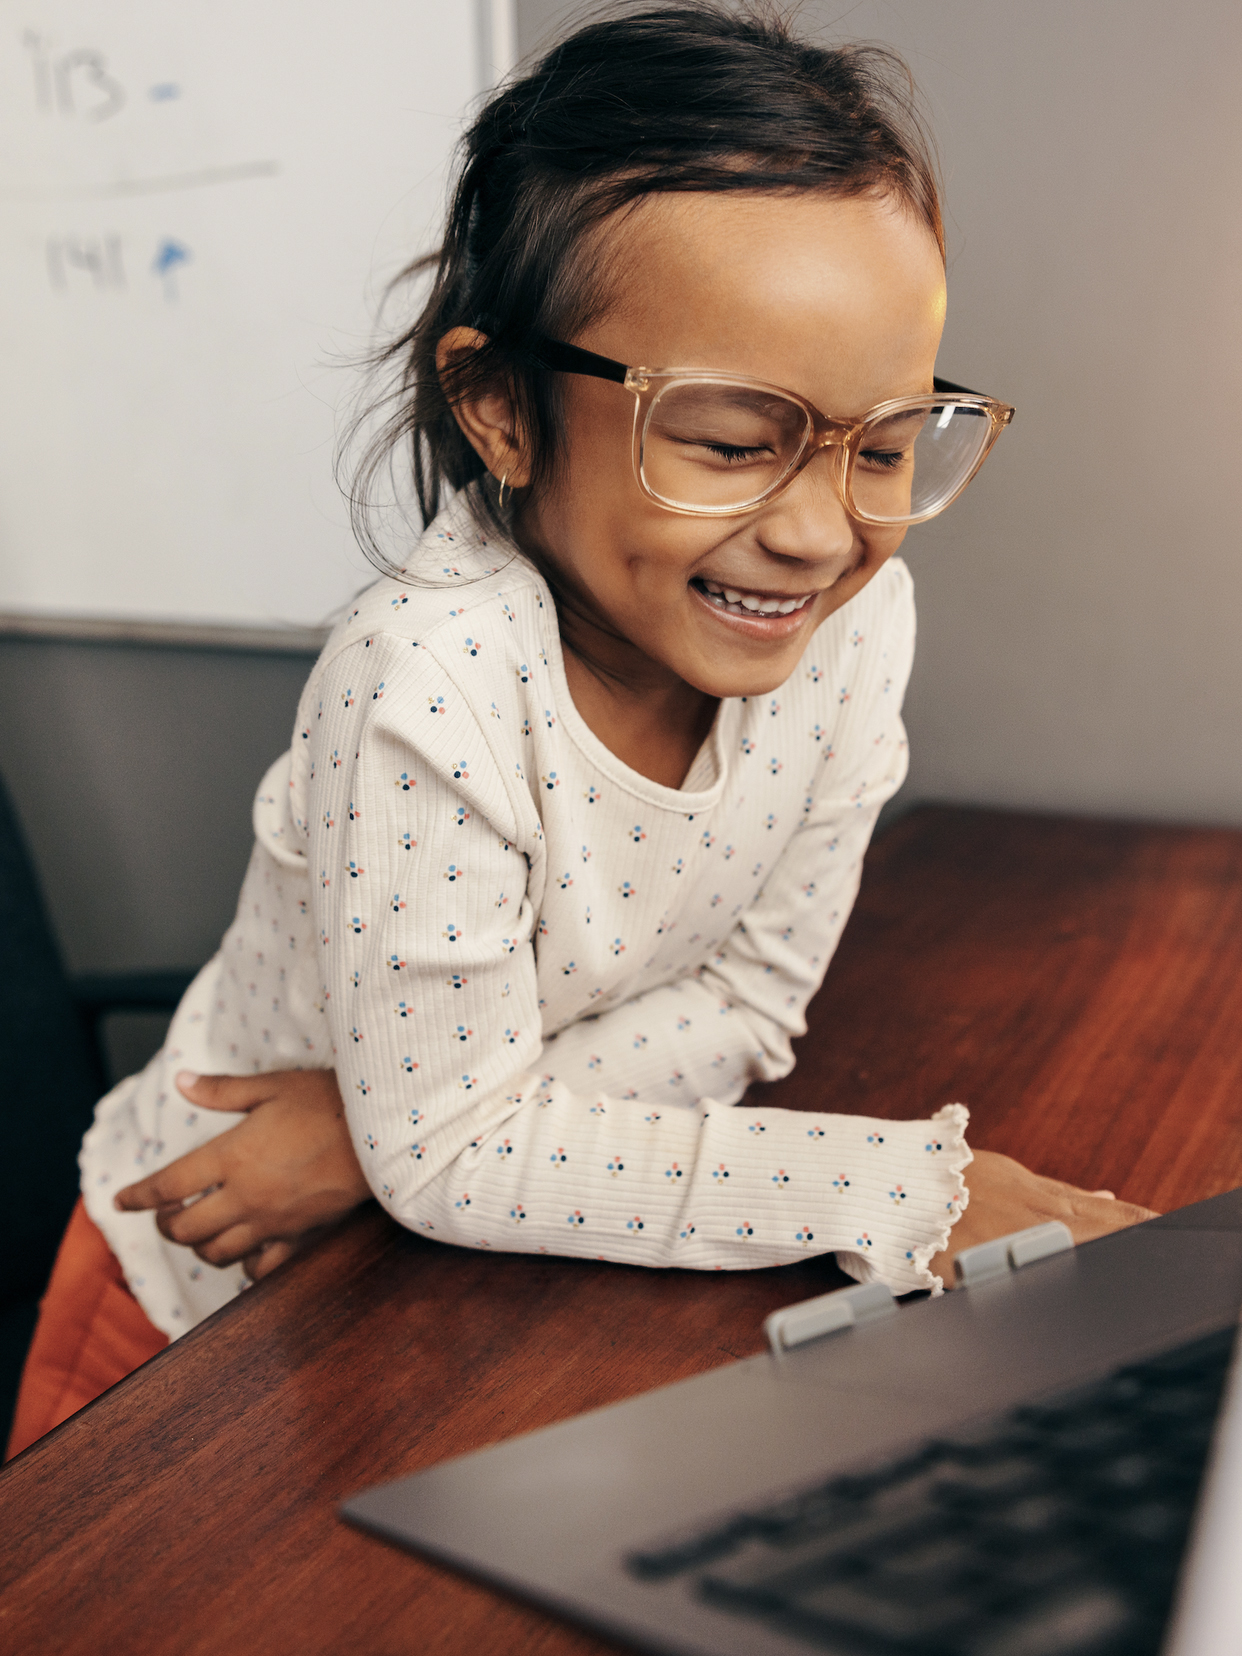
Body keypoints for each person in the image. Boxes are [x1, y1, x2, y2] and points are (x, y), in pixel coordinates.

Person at [9, 2, 1153, 1459]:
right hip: (203, 1280)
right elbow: (462, 1155)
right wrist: (905, 1193)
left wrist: (391, 1143)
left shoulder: (857, 624)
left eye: (878, 446)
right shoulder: (428, 680)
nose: (817, 533)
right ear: (496, 407)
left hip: (426, 1272)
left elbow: (749, 1002)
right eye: (731, 442)